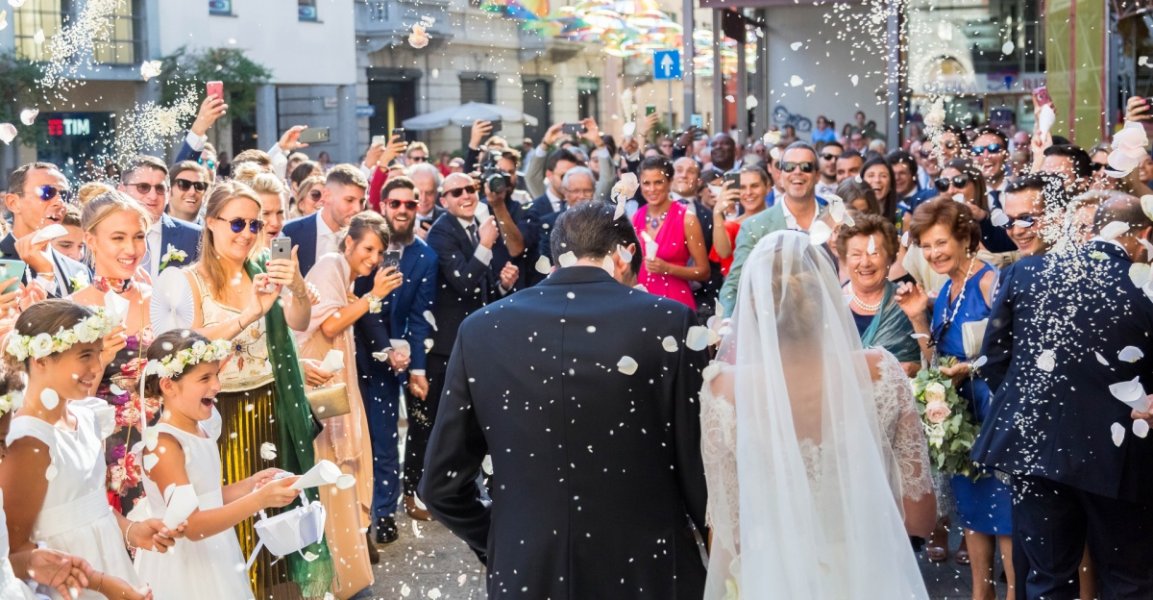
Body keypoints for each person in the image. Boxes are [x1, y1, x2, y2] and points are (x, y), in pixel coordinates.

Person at [420, 202, 709, 599]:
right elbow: (697, 465)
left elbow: (439, 485)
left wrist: (505, 539)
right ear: (624, 255)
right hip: (646, 562)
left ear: (557, 254)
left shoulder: (482, 328)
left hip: (528, 566)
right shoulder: (668, 321)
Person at [700, 230, 930, 599]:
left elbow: (729, 530)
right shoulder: (881, 373)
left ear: (755, 306)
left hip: (776, 578)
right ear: (826, 295)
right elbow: (920, 517)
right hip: (869, 574)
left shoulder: (724, 391)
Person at [150, 182, 332, 599]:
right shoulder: (186, 280)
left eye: (255, 223)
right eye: (236, 222)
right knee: (232, 517)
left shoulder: (264, 268)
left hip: (271, 405)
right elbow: (183, 349)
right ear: (210, 223)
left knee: (276, 515)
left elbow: (300, 322)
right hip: (216, 413)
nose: (248, 232)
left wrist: (297, 285)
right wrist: (249, 313)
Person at [973, 194, 1153, 599]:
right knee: (1127, 579)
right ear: (1144, 235)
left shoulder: (1029, 271)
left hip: (1036, 450)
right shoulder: (1146, 284)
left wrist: (1035, 408)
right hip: (1119, 456)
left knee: (1048, 578)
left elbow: (992, 359)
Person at [1, 300, 179, 599]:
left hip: (110, 563)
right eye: (85, 356)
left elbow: (91, 504)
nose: (97, 367)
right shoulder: (26, 441)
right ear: (41, 359)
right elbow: (13, 552)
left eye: (98, 355)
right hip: (67, 583)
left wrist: (130, 530)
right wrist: (100, 584)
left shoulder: (86, 415)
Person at [895, 198, 1013, 600]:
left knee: (1007, 517)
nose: (934, 253)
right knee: (973, 514)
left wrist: (971, 368)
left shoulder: (988, 280)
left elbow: (1011, 351)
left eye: (941, 242)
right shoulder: (946, 290)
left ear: (965, 239)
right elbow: (935, 361)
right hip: (961, 419)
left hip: (994, 410)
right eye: (926, 246)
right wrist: (916, 318)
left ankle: (1012, 590)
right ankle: (982, 592)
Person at [134, 330, 300, 600]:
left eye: (216, 376)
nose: (217, 386)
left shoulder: (200, 427)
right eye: (205, 378)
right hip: (186, 565)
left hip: (217, 549)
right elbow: (192, 524)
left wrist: (251, 485)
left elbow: (207, 497)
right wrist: (259, 500)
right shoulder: (164, 445)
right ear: (168, 385)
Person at [297, 212, 402, 596]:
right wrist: (374, 296)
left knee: (345, 468)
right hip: (323, 386)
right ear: (349, 243)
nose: (374, 259)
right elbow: (328, 326)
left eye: (380, 252)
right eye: (368, 248)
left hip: (338, 383)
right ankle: (337, 572)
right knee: (331, 469)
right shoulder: (329, 265)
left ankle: (346, 567)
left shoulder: (345, 275)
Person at [419, 173, 520, 519]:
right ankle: (441, 490)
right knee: (450, 420)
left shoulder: (479, 224)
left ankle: (486, 485)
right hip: (449, 343)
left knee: (485, 415)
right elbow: (462, 282)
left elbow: (484, 284)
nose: (465, 195)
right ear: (443, 199)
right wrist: (486, 245)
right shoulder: (442, 231)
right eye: (456, 191)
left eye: (470, 190)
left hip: (480, 338)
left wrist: (504, 284)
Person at [352, 177, 438, 542]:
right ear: (384, 206)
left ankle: (385, 513)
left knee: (388, 440)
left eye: (410, 204)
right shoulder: (364, 247)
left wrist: (415, 365)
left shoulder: (426, 256)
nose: (403, 210)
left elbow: (420, 318)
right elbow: (357, 305)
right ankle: (360, 514)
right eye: (396, 204)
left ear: (419, 208)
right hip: (357, 354)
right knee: (360, 440)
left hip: (396, 361)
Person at [69, 192, 156, 515]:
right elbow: (71, 405)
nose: (131, 249)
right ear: (90, 239)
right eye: (117, 238)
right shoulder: (74, 309)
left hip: (165, 444)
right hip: (110, 452)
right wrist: (102, 359)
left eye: (138, 237)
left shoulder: (159, 298)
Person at [720, 142, 825, 316]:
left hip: (827, 323)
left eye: (806, 167)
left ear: (817, 176)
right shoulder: (754, 226)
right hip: (774, 325)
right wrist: (726, 323)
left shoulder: (835, 220)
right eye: (789, 167)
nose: (797, 172)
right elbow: (736, 282)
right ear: (780, 175)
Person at [836, 214, 921, 374]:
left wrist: (918, 318)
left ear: (890, 257)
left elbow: (933, 364)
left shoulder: (908, 299)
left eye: (874, 253)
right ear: (844, 260)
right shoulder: (830, 305)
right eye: (856, 254)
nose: (865, 262)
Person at [631, 156, 711, 308]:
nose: (652, 189)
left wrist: (668, 269)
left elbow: (704, 272)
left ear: (669, 182)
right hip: (642, 301)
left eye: (658, 182)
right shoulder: (636, 217)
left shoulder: (687, 219)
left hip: (675, 302)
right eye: (646, 183)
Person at [1, 162, 89, 297]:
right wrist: (45, 276)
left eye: (64, 195)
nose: (59, 202)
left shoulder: (79, 270)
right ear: (13, 203)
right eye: (47, 193)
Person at [118, 156, 202, 277]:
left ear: (168, 193)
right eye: (143, 187)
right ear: (122, 190)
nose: (153, 196)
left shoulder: (195, 237)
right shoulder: (103, 235)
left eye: (159, 188)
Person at [282, 164, 369, 277]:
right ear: (327, 196)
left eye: (362, 201)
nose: (358, 209)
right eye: (349, 200)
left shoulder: (366, 238)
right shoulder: (290, 232)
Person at [710, 166, 769, 277]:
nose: (748, 192)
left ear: (768, 187)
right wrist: (717, 213)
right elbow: (723, 253)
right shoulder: (732, 226)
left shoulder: (780, 218)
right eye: (742, 187)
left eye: (755, 186)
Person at [861, 155, 899, 223]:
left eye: (883, 176)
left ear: (891, 184)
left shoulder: (901, 216)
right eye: (871, 175)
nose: (877, 180)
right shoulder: (852, 215)